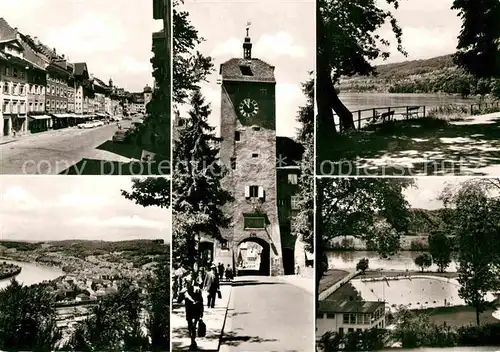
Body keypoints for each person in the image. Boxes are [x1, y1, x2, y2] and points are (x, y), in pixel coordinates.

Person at [181, 275, 204, 351]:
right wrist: (181, 293)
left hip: (196, 311)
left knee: (193, 326)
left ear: (192, 282)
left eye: (189, 282)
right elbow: (179, 300)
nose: (188, 283)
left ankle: (193, 342)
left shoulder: (197, 290)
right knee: (190, 327)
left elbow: (201, 301)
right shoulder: (184, 290)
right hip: (189, 311)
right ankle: (192, 341)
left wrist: (201, 313)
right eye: (187, 282)